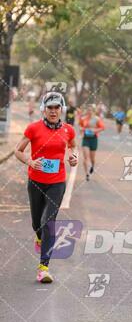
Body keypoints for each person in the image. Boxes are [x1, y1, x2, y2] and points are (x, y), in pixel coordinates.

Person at [14, 92, 78, 283]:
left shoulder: (68, 130)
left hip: (57, 182)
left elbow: (73, 147)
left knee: (48, 222)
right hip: (35, 181)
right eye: (49, 107)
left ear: (61, 109)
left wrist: (74, 158)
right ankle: (40, 238)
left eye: (56, 107)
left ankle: (43, 268)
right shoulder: (33, 128)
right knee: (37, 224)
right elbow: (18, 150)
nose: (53, 111)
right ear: (44, 109)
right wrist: (30, 161)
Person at [79, 105, 105, 181]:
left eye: (91, 110)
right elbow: (80, 126)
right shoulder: (83, 119)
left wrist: (95, 130)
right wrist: (82, 131)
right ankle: (87, 174)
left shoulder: (97, 119)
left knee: (92, 158)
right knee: (85, 157)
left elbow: (103, 127)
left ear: (93, 111)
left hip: (94, 139)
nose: (89, 112)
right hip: (86, 139)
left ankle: (92, 166)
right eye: (88, 110)